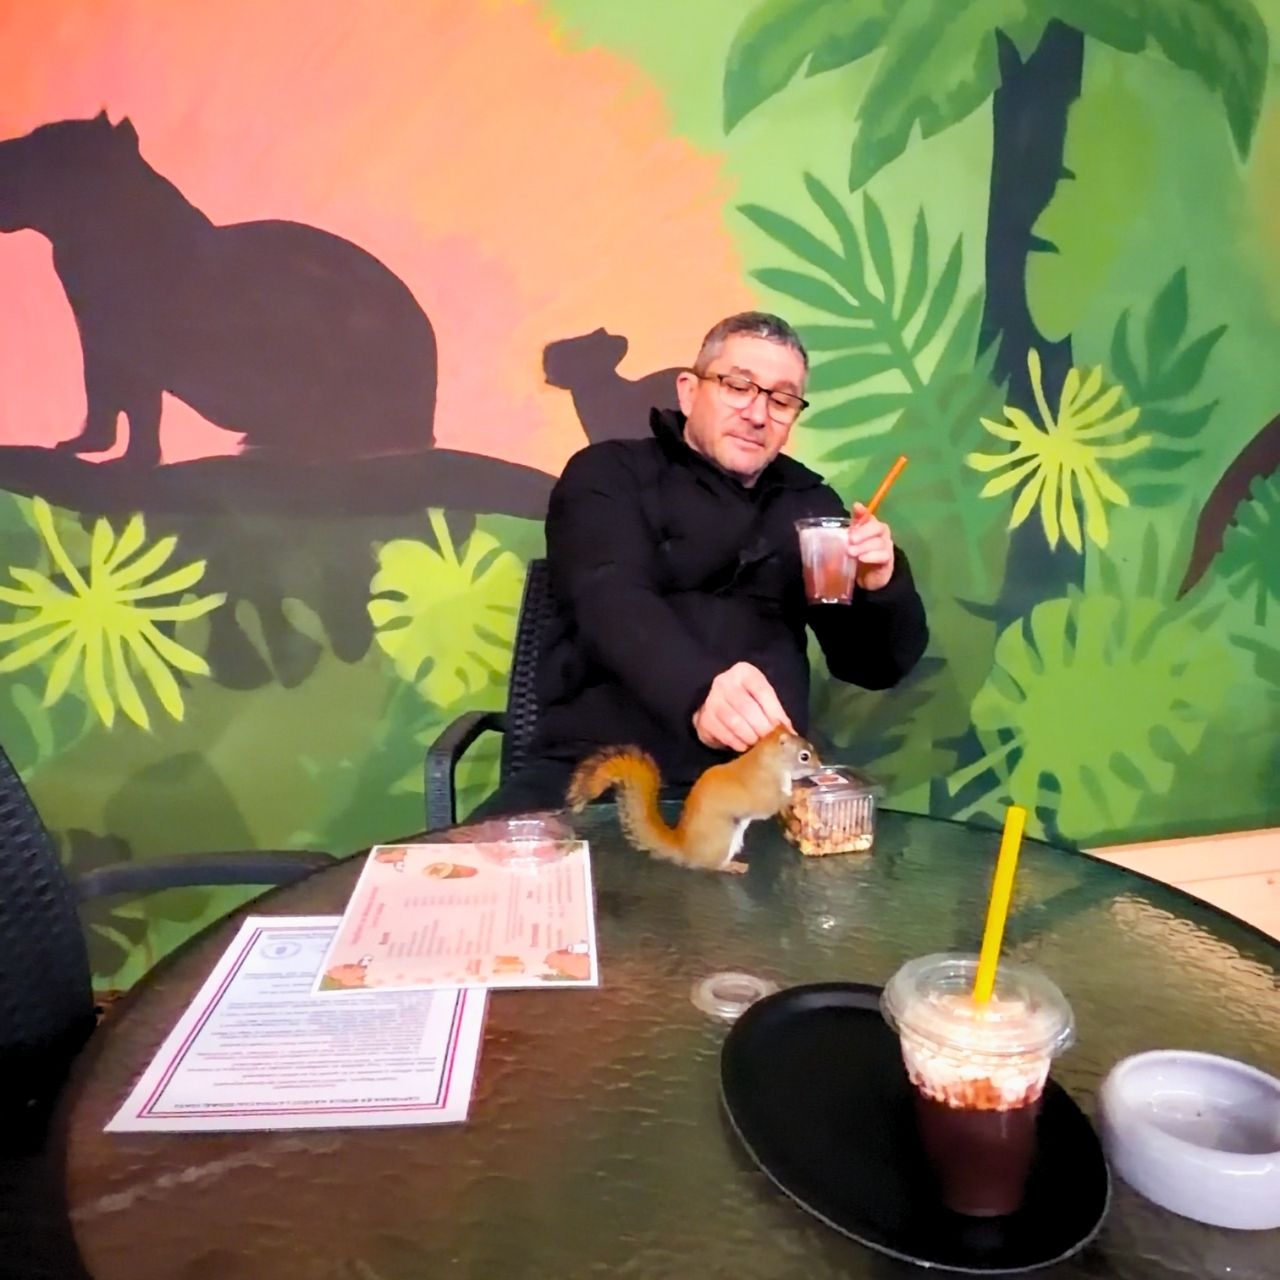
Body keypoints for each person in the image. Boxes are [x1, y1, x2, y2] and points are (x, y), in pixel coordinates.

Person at [471, 311, 928, 817]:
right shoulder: (609, 474)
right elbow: (608, 595)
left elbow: (872, 665)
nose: (758, 414)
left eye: (781, 400)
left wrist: (881, 586)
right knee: (465, 865)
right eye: (739, 387)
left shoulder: (808, 505)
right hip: (593, 776)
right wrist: (700, 691)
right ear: (689, 392)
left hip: (756, 791)